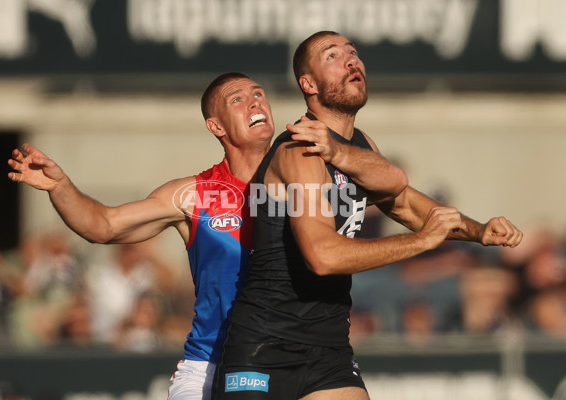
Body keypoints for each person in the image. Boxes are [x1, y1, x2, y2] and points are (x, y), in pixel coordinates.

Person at [212, 31, 523, 400]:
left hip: (329, 352)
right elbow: (323, 257)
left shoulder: (360, 144)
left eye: (353, 53)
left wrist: (478, 230)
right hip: (264, 348)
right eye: (332, 56)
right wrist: (422, 242)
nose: (351, 61)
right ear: (307, 84)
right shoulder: (299, 151)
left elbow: (406, 203)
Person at [7, 72, 347, 400]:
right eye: (238, 100)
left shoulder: (310, 182)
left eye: (259, 94)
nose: (255, 103)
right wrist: (60, 187)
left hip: (305, 357)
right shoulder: (192, 195)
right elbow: (103, 225)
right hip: (211, 364)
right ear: (216, 126)